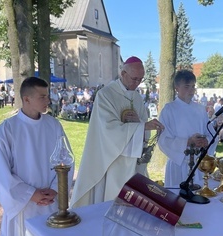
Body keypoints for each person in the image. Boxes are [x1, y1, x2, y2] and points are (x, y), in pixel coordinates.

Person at [0, 77, 73, 236]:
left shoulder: (54, 126)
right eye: (42, 97)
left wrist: (55, 188)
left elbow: (66, 160)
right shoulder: (7, 130)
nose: (48, 100)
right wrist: (30, 194)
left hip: (51, 204)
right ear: (26, 99)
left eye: (47, 96)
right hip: (23, 207)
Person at [70, 56, 164, 208]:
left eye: (140, 79)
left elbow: (143, 129)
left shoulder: (137, 98)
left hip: (132, 161)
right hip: (112, 159)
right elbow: (108, 130)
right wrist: (141, 127)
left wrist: (141, 126)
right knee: (111, 201)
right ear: (123, 74)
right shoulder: (106, 95)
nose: (137, 83)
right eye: (134, 78)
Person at [157, 70, 217, 187]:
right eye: (187, 86)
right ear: (177, 88)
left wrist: (206, 141)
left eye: (193, 86)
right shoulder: (169, 110)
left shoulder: (200, 110)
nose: (191, 90)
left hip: (198, 164)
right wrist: (188, 142)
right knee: (177, 200)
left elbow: (211, 134)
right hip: (178, 163)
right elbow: (163, 140)